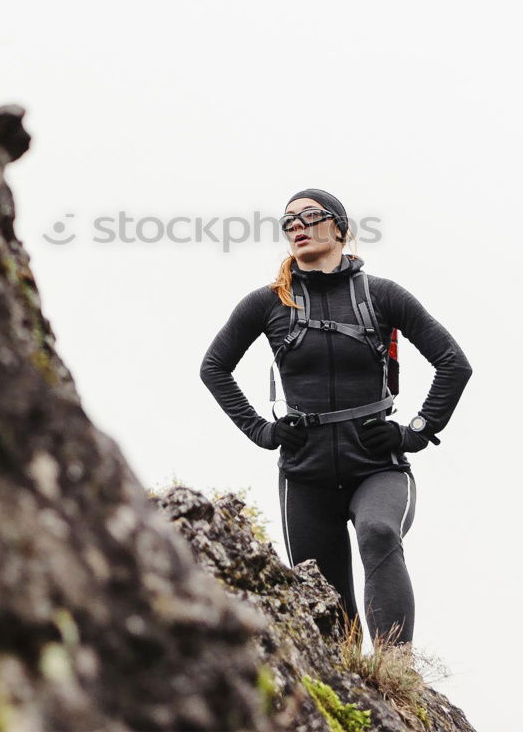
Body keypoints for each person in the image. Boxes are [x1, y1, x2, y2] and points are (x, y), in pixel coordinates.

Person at [199, 187, 473, 645]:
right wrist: (262, 431)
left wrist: (415, 433)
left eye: (310, 216)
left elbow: (453, 363)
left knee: (379, 532)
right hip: (304, 477)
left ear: (341, 229)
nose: (297, 226)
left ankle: (396, 670)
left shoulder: (382, 295)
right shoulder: (269, 303)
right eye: (288, 222)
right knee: (327, 610)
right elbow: (214, 367)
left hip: (377, 467)